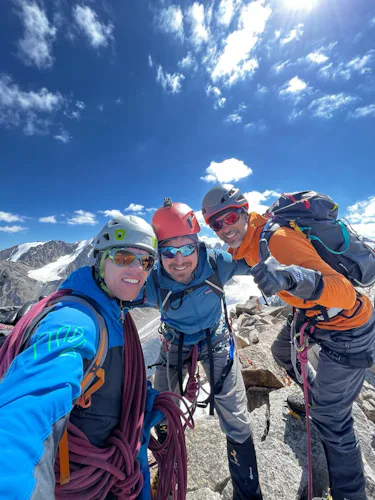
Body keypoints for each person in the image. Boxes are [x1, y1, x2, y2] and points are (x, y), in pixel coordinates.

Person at [202, 184, 375, 500]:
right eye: (216, 223)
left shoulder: (278, 241)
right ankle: (314, 398)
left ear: (244, 210)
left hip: (348, 329)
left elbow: (346, 294)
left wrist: (295, 278)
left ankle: (352, 493)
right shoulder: (251, 243)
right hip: (316, 318)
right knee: (281, 350)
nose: (224, 228)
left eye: (229, 217)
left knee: (332, 420)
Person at [0, 215, 186, 500]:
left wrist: (149, 403)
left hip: (118, 474)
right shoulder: (74, 322)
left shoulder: (115, 310)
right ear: (100, 260)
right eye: (123, 257)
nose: (136, 268)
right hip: (91, 486)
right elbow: (23, 418)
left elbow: (117, 384)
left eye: (146, 261)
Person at [140, 197, 263, 500]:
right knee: (162, 410)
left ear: (198, 245)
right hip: (175, 344)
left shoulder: (216, 263)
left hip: (216, 340)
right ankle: (166, 469)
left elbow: (253, 258)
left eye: (186, 249)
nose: (179, 259)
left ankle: (248, 494)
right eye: (169, 251)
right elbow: (116, 293)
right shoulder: (154, 282)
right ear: (158, 253)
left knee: (235, 415)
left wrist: (269, 231)